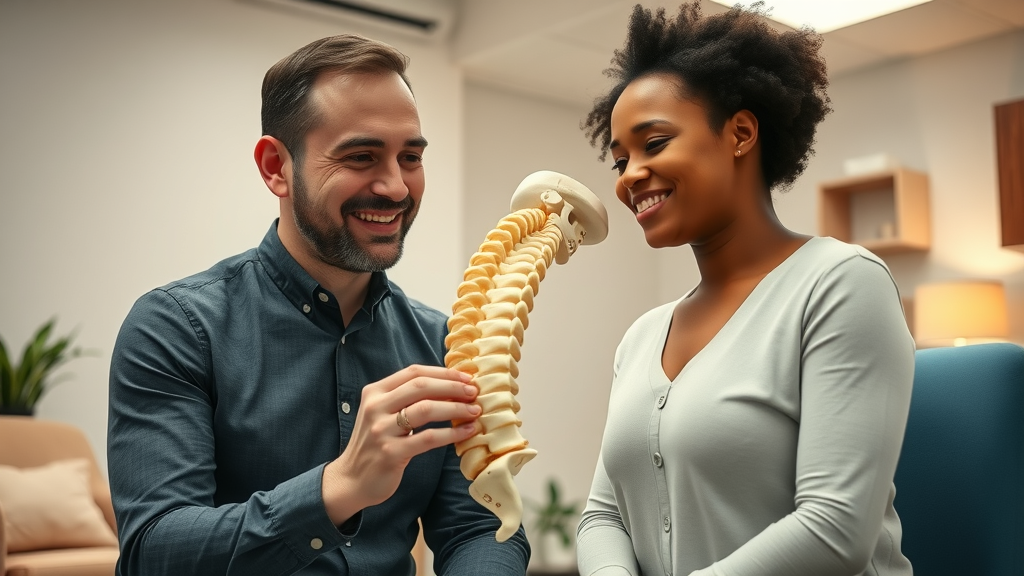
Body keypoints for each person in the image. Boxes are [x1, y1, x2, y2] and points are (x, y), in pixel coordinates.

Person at [107, 34, 530, 576]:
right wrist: (338, 488)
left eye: (411, 157)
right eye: (361, 156)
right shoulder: (175, 328)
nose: (397, 187)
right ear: (275, 167)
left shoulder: (444, 343)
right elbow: (154, 552)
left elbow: (480, 527)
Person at [575, 4, 914, 576]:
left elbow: (834, 529)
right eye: (620, 158)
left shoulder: (840, 284)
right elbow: (602, 517)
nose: (628, 176)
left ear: (741, 133)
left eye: (654, 144)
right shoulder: (641, 338)